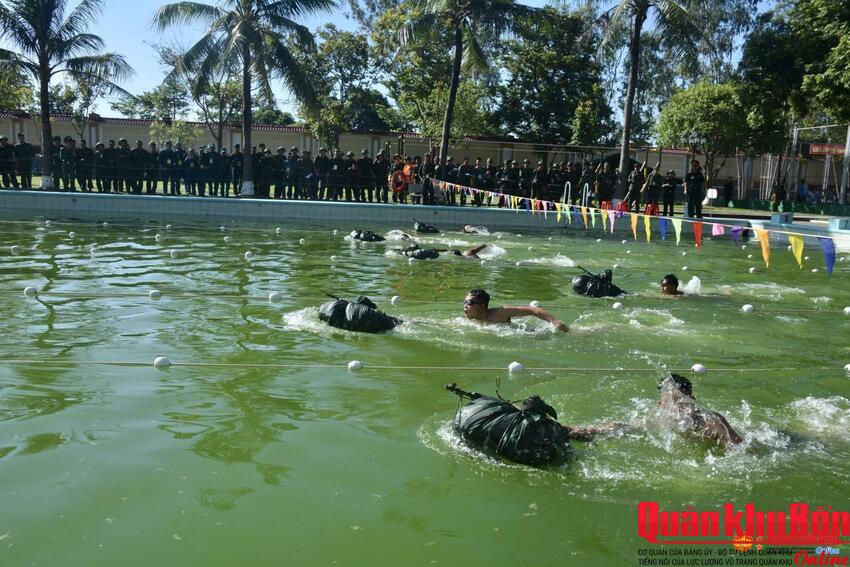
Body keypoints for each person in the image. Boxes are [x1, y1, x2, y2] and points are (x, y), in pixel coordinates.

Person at [446, 383, 626, 467]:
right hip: (535, 451)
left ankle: (616, 429)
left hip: (478, 440)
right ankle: (619, 429)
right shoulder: (548, 430)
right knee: (570, 433)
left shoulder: (487, 415)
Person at [657, 374, 742, 449]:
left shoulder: (711, 423)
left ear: (693, 401)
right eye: (671, 402)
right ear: (660, 404)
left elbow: (740, 449)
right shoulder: (655, 421)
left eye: (683, 402)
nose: (677, 408)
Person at [463, 289, 568, 331]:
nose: (465, 306)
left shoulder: (500, 313)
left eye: (469, 303)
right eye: (464, 302)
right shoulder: (467, 322)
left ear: (481, 306)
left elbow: (532, 310)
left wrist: (554, 321)